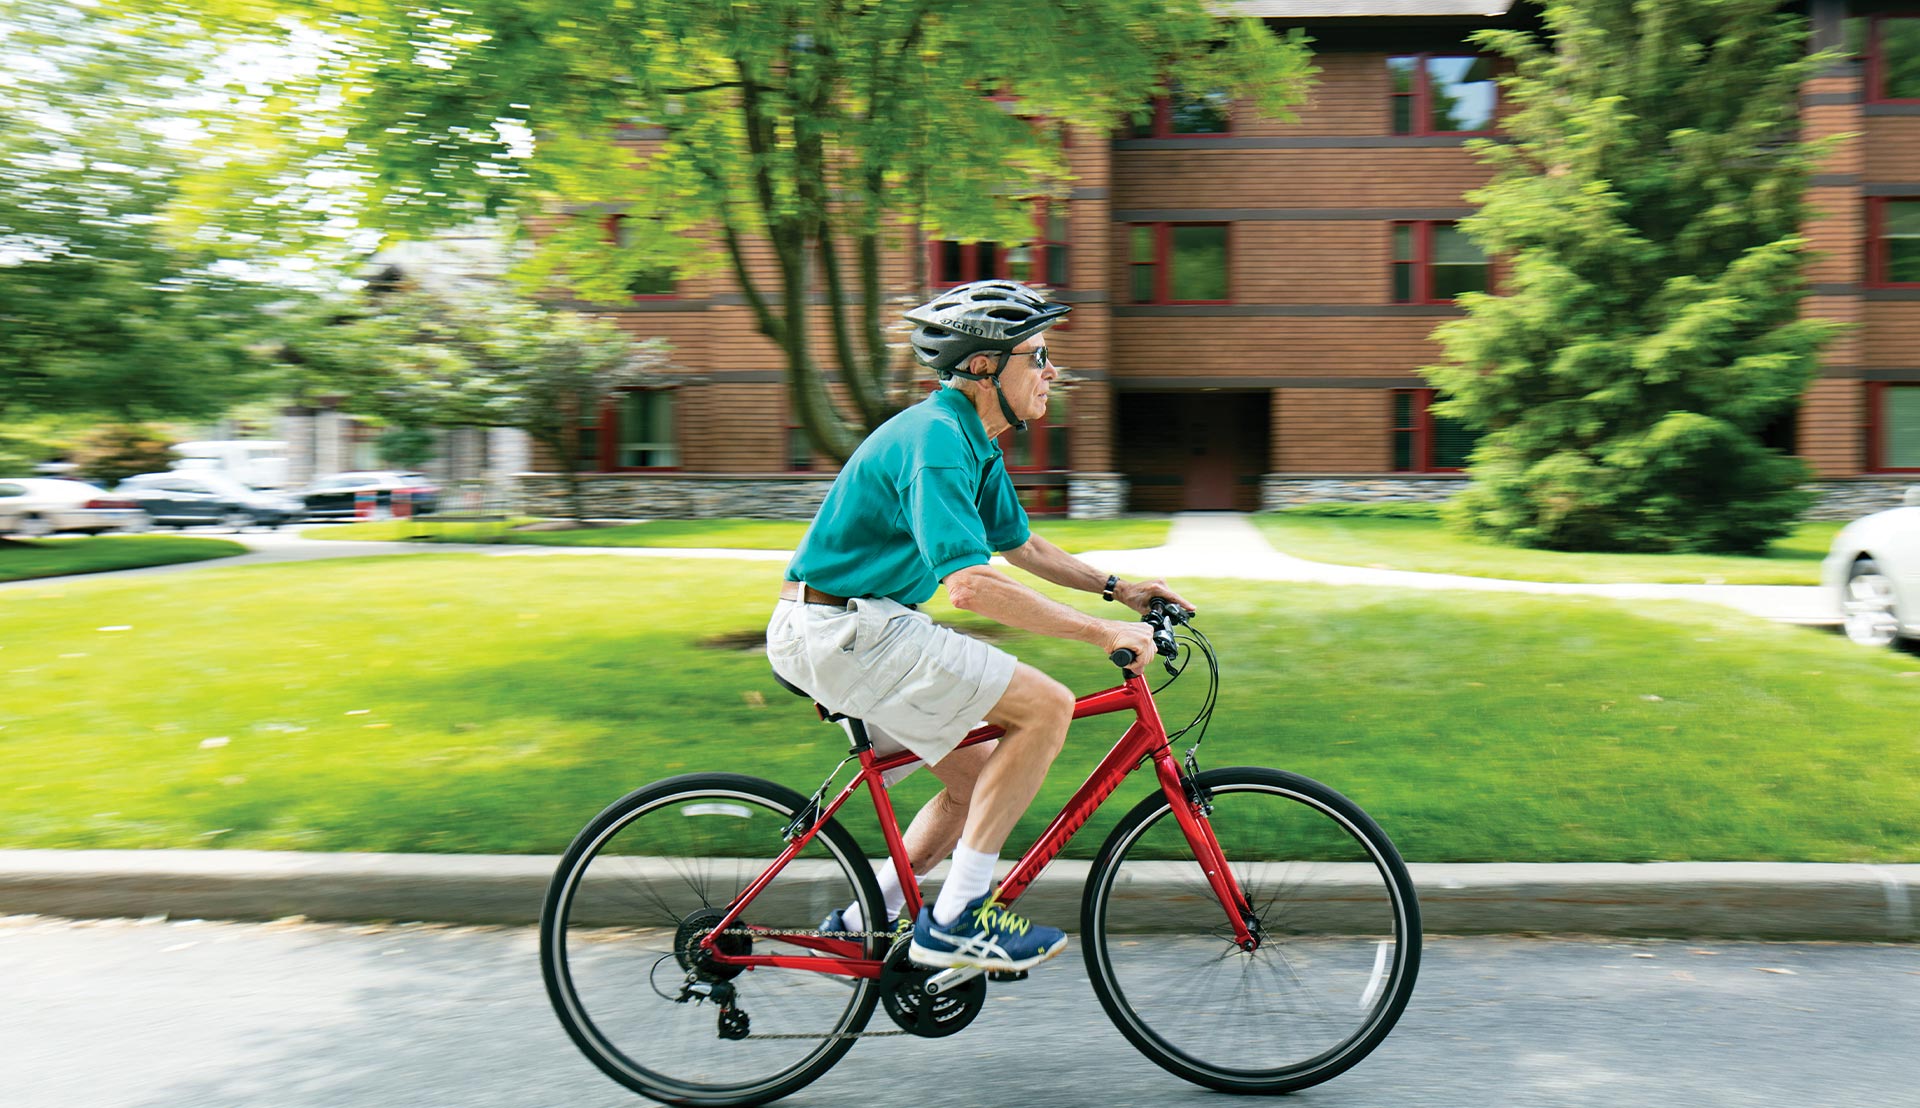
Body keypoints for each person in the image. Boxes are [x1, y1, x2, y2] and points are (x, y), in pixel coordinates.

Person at [766, 279, 1194, 973]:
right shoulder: (937, 440)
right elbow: (968, 585)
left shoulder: (973, 441)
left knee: (979, 783)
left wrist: (1123, 591)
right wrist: (1098, 634)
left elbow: (1023, 548)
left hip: (862, 626)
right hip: (841, 629)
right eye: (1038, 355)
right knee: (1047, 706)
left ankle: (858, 922)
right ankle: (959, 918)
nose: (1052, 371)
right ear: (985, 367)